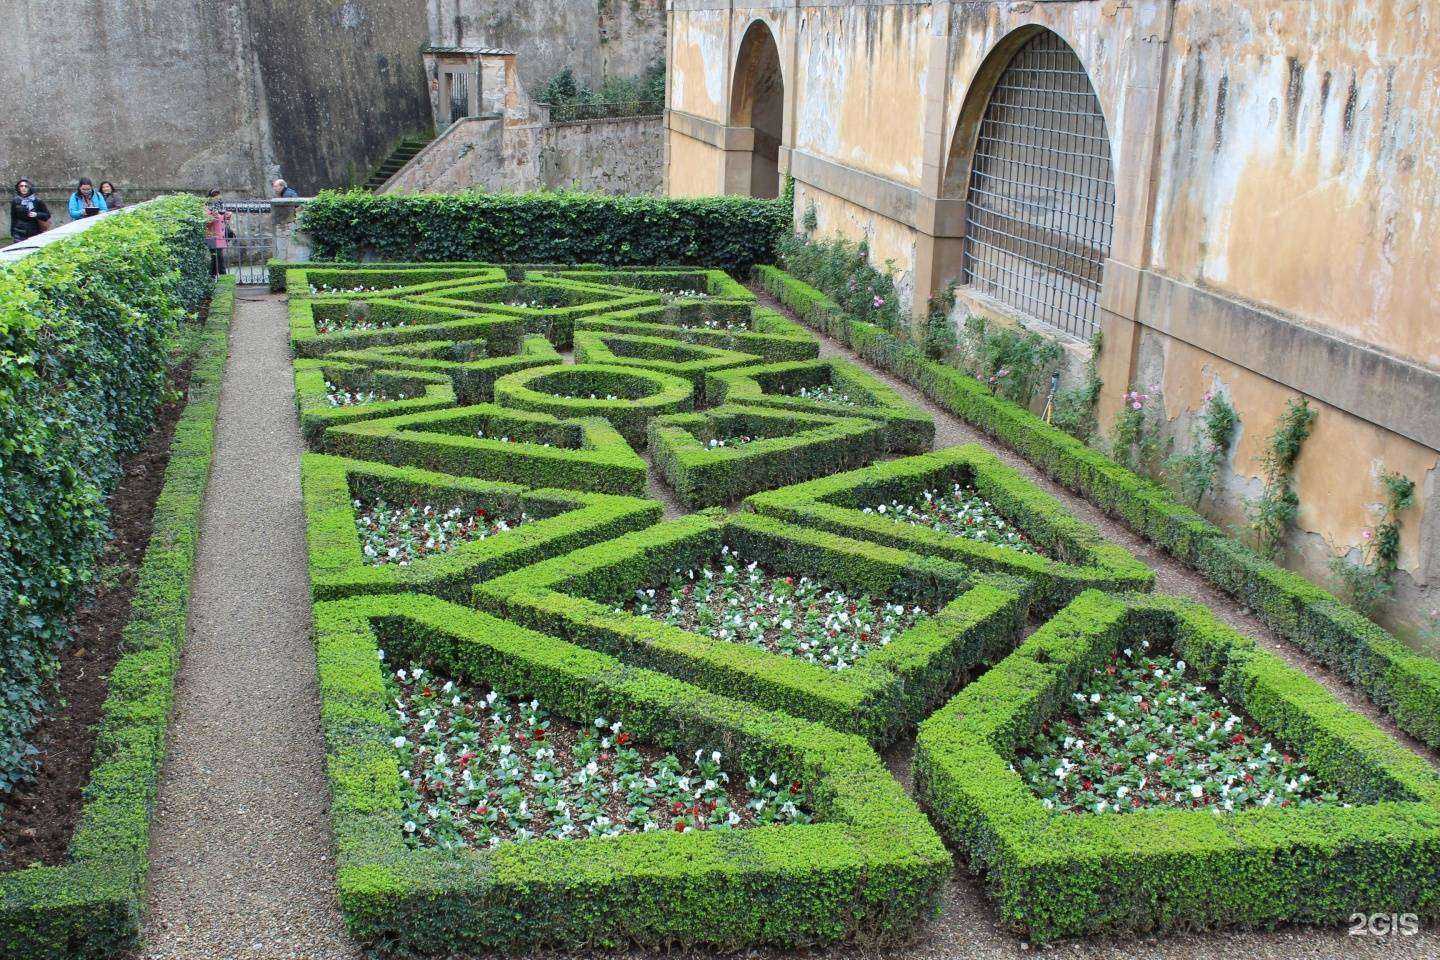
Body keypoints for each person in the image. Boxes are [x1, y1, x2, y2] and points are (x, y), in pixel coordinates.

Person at [204, 189, 232, 277]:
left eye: (218, 195)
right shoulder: (206, 207)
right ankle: (223, 276)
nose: (216, 197)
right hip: (211, 236)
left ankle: (212, 276)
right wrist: (213, 216)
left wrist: (227, 216)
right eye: (214, 195)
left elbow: (224, 220)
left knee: (216, 257)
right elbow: (206, 222)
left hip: (221, 236)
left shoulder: (220, 206)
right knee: (217, 256)